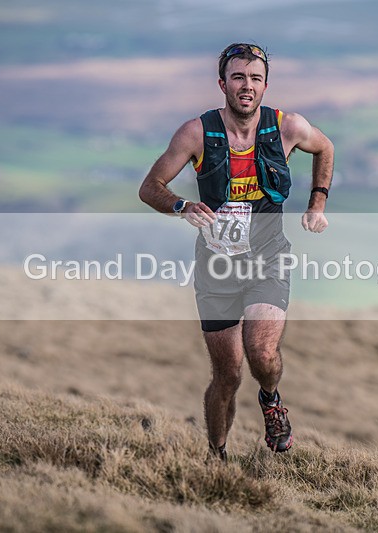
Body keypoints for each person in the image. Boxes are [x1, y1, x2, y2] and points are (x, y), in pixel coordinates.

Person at [139, 43, 334, 461]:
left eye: (256, 78)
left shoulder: (288, 127)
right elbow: (149, 187)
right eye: (239, 77)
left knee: (261, 352)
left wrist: (317, 202)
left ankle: (271, 400)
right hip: (217, 268)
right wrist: (182, 206)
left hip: (269, 258)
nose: (247, 86)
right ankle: (217, 455)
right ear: (223, 83)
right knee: (226, 374)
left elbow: (326, 148)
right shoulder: (197, 133)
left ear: (266, 85)